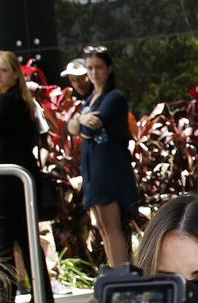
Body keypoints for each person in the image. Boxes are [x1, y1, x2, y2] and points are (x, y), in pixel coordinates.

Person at [0, 51, 54, 303]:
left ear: (15, 73)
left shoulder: (8, 101)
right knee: (26, 239)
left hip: (7, 179)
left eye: (3, 71)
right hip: (18, 175)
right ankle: (43, 298)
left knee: (4, 242)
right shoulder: (21, 101)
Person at [65, 46, 138, 268]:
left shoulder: (114, 97)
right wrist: (80, 121)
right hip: (92, 167)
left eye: (98, 67)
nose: (94, 72)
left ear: (108, 69)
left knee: (112, 224)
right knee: (102, 226)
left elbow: (94, 126)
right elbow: (73, 127)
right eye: (90, 68)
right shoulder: (90, 99)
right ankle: (116, 273)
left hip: (109, 167)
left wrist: (81, 122)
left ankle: (121, 275)